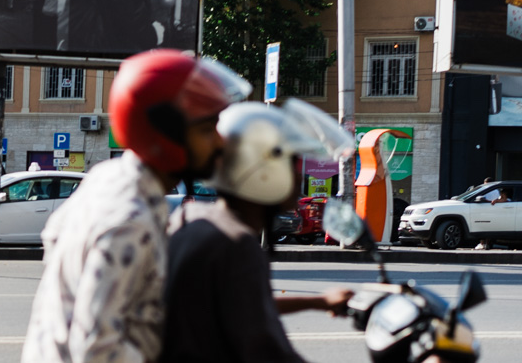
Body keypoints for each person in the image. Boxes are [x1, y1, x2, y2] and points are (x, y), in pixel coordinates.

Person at [22, 49, 252, 362]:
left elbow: (54, 239)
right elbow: (97, 349)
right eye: (205, 129)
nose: (219, 141)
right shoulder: (130, 222)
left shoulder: (108, 178)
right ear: (165, 135)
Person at [161, 99, 357, 363]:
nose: (299, 177)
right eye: (291, 163)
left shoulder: (191, 218)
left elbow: (244, 305)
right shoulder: (236, 245)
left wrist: (318, 302)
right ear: (261, 171)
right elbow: (270, 351)